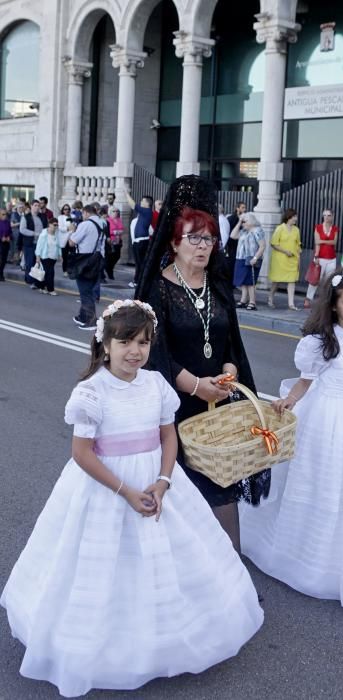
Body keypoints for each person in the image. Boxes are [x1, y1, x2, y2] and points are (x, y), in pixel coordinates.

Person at [0, 299, 263, 698]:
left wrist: (163, 480)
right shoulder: (91, 392)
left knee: (170, 559)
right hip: (108, 487)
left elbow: (168, 435)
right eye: (125, 342)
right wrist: (125, 491)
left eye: (142, 342)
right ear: (105, 344)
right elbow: (82, 453)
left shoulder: (156, 384)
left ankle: (166, 638)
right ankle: (107, 642)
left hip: (157, 483)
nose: (134, 351)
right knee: (104, 565)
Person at [240, 268, 343, 608]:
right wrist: (289, 401)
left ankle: (342, 559)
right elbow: (306, 380)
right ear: (333, 307)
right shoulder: (321, 343)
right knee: (319, 482)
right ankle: (305, 556)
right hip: (324, 419)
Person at [136, 175, 270, 552]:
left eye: (209, 238)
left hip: (218, 407)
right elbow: (154, 354)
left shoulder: (218, 284)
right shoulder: (157, 289)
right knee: (181, 492)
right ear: (175, 242)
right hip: (176, 408)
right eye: (193, 238)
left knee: (222, 489)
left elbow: (231, 343)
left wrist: (230, 371)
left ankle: (232, 580)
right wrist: (196, 385)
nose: (203, 246)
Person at [69, 203, 105, 330]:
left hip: (85, 260)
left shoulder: (85, 224)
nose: (82, 216)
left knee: (85, 291)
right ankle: (82, 316)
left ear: (86, 213)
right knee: (88, 288)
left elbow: (72, 242)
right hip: (98, 259)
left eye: (83, 214)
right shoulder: (103, 223)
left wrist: (72, 231)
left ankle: (91, 321)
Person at [230, 211, 266, 310]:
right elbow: (233, 235)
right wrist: (239, 222)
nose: (243, 223)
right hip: (240, 258)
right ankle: (243, 300)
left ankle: (252, 302)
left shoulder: (257, 230)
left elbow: (262, 246)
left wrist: (255, 258)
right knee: (243, 281)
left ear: (250, 221)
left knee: (250, 281)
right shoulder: (244, 231)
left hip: (251, 259)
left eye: (244, 221)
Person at [268, 208, 302, 310]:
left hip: (292, 259)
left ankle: (291, 304)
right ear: (289, 217)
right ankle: (270, 297)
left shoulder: (296, 230)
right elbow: (273, 243)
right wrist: (285, 251)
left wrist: (299, 252)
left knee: (292, 281)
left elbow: (298, 243)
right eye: (294, 216)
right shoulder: (280, 228)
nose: (296, 218)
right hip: (280, 259)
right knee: (276, 281)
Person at [304, 208, 339, 307]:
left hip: (332, 258)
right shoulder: (318, 227)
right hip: (321, 257)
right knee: (315, 279)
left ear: (332, 216)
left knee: (328, 281)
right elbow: (317, 243)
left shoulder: (335, 228)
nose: (326, 217)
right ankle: (308, 298)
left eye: (329, 215)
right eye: (324, 215)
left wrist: (323, 241)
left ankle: (325, 300)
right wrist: (316, 256)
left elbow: (334, 242)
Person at [126, 190, 153, 289]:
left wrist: (126, 193)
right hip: (139, 241)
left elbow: (133, 204)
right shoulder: (144, 213)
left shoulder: (146, 211)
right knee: (139, 263)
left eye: (142, 201)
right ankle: (138, 281)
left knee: (140, 263)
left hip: (142, 241)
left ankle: (138, 281)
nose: (141, 202)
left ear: (147, 203)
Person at [19, 200, 44, 287]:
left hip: (40, 244)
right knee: (30, 263)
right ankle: (30, 280)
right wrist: (34, 233)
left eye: (38, 205)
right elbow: (22, 230)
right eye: (35, 205)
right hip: (30, 244)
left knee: (38, 263)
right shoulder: (26, 217)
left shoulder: (42, 217)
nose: (37, 207)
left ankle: (36, 282)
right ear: (31, 206)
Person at [34, 218, 61, 295]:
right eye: (54, 225)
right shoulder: (44, 234)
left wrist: (60, 255)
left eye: (57, 225)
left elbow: (58, 245)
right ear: (49, 224)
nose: (56, 227)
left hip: (53, 257)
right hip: (45, 256)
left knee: (47, 273)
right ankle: (50, 289)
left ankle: (42, 287)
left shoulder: (56, 234)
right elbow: (39, 246)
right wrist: (37, 257)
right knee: (49, 273)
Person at [225, 201, 246, 282]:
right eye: (243, 207)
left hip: (240, 246)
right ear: (237, 208)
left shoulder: (245, 219)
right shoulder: (231, 219)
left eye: (244, 207)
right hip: (232, 245)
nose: (245, 209)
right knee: (231, 264)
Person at [106, 206, 124, 280]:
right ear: (110, 212)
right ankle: (109, 270)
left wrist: (119, 232)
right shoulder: (108, 220)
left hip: (118, 240)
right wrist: (115, 232)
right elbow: (107, 231)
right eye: (114, 211)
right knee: (110, 256)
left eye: (117, 211)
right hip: (111, 241)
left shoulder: (119, 220)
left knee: (117, 256)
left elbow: (122, 228)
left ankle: (110, 268)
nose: (116, 213)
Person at [57, 203, 73, 276]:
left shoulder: (72, 216)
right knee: (65, 255)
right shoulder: (60, 217)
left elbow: (75, 226)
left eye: (68, 209)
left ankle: (71, 269)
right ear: (63, 210)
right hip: (64, 239)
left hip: (72, 238)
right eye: (65, 209)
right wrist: (68, 228)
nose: (67, 210)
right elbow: (60, 228)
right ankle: (65, 270)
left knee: (72, 255)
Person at [0, 208, 12, 281]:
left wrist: (9, 237)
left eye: (6, 214)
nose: (5, 216)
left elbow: (10, 232)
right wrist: (1, 238)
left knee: (4, 260)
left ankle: (1, 273)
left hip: (6, 244)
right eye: (3, 214)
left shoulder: (7, 222)